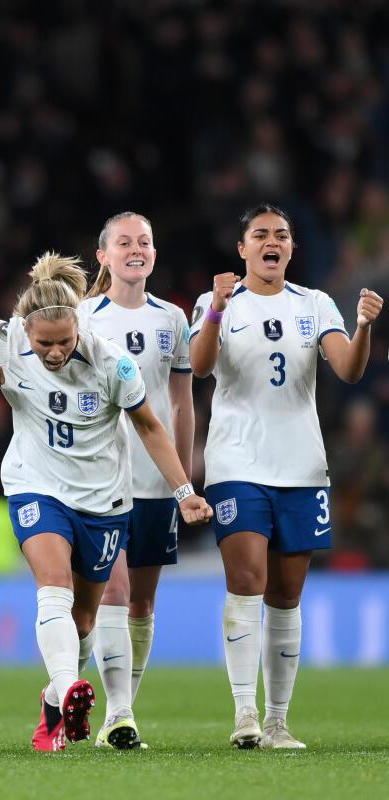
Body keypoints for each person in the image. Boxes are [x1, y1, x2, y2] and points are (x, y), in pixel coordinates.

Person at [0, 252, 211, 752]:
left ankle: (55, 699)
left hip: (103, 500)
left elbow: (150, 427)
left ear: (79, 327)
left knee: (85, 621)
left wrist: (184, 493)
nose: (53, 353)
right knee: (52, 585)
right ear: (26, 332)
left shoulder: (114, 363)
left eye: (64, 341)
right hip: (36, 485)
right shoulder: (7, 338)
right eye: (43, 343)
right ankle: (74, 686)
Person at [188, 204, 382, 749]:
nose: (272, 242)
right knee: (246, 578)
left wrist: (364, 326)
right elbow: (200, 367)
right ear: (243, 248)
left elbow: (347, 368)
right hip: (236, 463)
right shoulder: (216, 301)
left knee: (286, 595)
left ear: (291, 249)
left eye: (282, 235)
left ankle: (278, 721)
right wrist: (217, 311)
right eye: (260, 235)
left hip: (300, 466)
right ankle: (245, 714)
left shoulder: (315, 304)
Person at [76, 212, 194, 749]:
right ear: (103, 256)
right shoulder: (81, 317)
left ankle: (118, 713)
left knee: (141, 604)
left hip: (155, 480)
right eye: (124, 242)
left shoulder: (172, 319)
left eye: (144, 241)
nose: (136, 249)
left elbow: (179, 402)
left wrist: (183, 483)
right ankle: (116, 710)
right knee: (112, 596)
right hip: (98, 479)